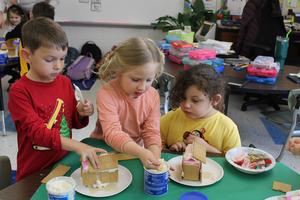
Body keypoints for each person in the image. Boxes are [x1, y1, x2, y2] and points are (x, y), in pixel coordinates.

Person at [8, 17, 106, 181]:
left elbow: (70, 122)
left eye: (62, 58)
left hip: (63, 164)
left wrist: (81, 113)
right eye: (49, 59)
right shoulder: (19, 91)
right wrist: (78, 146)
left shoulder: (65, 82)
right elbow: (38, 134)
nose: (58, 66)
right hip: (35, 171)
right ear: (27, 55)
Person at [90, 37, 164, 169]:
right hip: (103, 150)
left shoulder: (152, 95)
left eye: (149, 80)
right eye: (135, 79)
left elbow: (151, 132)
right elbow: (113, 133)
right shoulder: (106, 94)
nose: (142, 87)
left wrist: (155, 158)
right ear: (119, 71)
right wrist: (141, 152)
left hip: (133, 153)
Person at [160, 65, 241, 154]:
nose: (186, 105)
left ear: (214, 100)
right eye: (183, 98)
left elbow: (234, 161)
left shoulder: (228, 128)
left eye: (195, 100)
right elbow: (154, 144)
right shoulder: (170, 118)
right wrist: (172, 150)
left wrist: (207, 148)